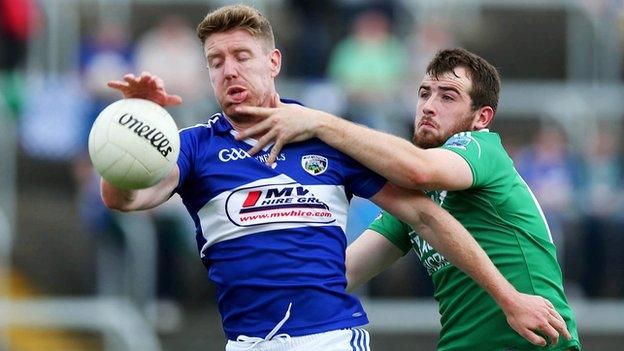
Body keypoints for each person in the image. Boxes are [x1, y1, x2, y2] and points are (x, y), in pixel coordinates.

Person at [103, 5, 569, 350]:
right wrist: (130, 138)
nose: (229, 70)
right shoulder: (194, 146)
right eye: (216, 61)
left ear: (274, 63)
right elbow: (125, 199)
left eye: (242, 55)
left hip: (342, 340)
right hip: (249, 341)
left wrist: (511, 297)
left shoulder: (342, 138)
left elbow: (422, 189)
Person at [234, 48, 581, 350]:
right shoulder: (416, 205)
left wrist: (320, 124)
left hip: (531, 340)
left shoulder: (482, 148)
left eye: (447, 97)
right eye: (424, 93)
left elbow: (418, 169)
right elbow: (339, 273)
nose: (429, 106)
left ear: (481, 118)